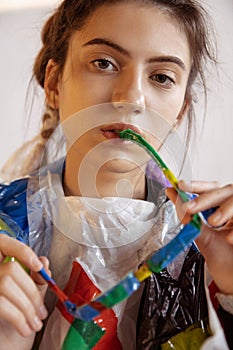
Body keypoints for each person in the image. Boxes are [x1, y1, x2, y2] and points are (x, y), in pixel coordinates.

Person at [0, 0, 233, 349]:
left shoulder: (216, 246)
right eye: (103, 63)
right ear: (54, 84)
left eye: (161, 77)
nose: (131, 98)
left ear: (180, 112)